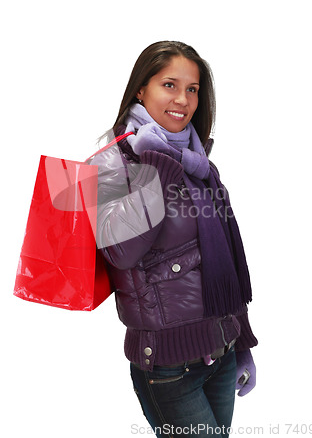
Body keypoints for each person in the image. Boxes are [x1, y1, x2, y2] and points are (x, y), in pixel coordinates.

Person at [90, 41, 258, 438]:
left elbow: (226, 260)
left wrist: (242, 343)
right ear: (140, 90)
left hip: (222, 350)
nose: (182, 99)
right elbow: (120, 251)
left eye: (193, 89)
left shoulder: (200, 165)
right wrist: (158, 171)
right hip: (169, 366)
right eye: (169, 84)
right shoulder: (111, 161)